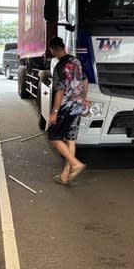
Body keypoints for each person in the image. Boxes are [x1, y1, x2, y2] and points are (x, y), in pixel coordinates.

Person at [47, 36, 88, 186]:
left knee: (54, 137)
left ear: (52, 50)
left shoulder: (59, 66)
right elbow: (85, 81)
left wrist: (54, 112)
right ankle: (65, 175)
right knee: (70, 138)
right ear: (64, 46)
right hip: (77, 104)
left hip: (66, 106)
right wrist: (83, 99)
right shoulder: (76, 61)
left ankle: (76, 164)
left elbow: (59, 90)